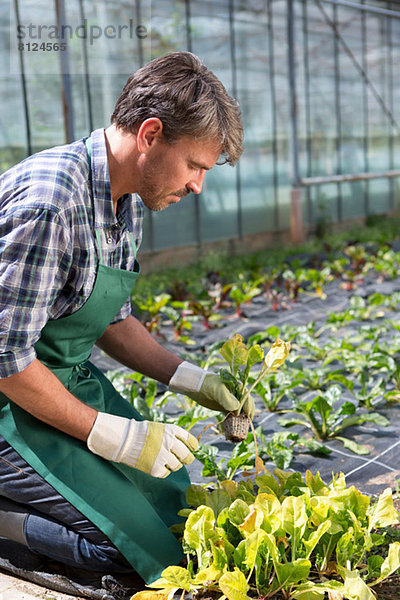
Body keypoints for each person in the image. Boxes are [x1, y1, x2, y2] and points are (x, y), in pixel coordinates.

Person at [0, 51, 253, 584]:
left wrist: (194, 380)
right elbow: (5, 360)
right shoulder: (52, 204)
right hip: (10, 399)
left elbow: (113, 319)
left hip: (56, 385)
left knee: (174, 513)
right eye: (196, 166)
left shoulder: (125, 199)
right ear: (151, 135)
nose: (197, 186)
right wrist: (114, 437)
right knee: (126, 555)